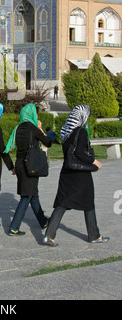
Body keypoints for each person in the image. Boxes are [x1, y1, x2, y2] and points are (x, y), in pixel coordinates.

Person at [43, 104, 110, 247]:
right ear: (83, 116)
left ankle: (49, 235)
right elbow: (79, 153)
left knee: (63, 203)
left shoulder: (65, 131)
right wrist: (93, 161)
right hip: (80, 174)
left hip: (67, 172)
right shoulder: (81, 131)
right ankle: (94, 235)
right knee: (88, 203)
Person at [4, 103, 52, 236]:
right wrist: (41, 129)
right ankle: (14, 227)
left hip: (20, 164)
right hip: (31, 165)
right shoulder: (33, 129)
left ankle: (43, 221)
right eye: (36, 114)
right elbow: (48, 142)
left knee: (33, 194)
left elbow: (10, 147)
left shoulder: (17, 128)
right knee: (26, 196)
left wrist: (12, 167)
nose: (37, 116)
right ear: (32, 114)